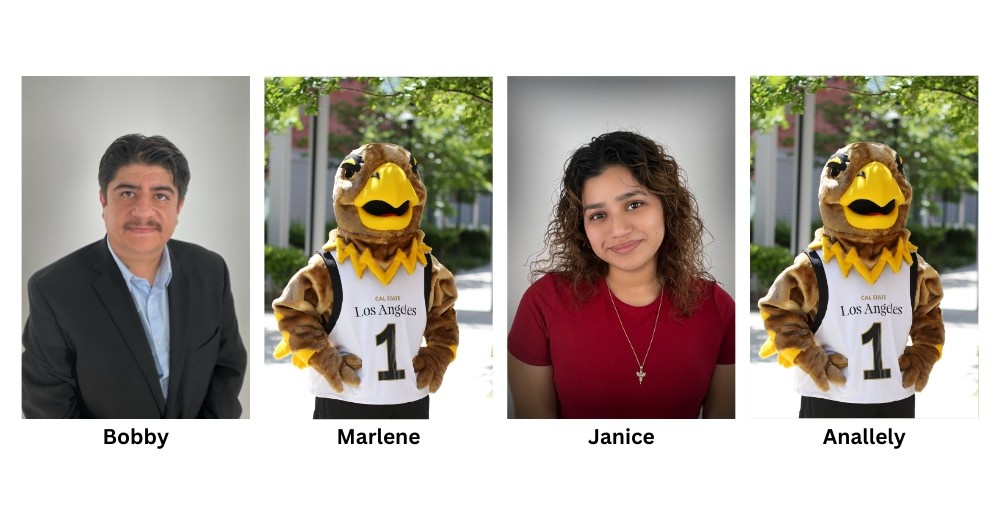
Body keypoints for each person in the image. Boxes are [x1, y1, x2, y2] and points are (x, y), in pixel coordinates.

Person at [508, 131, 735, 418]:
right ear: (582, 227)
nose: (618, 230)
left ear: (666, 205)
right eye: (598, 215)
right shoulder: (544, 302)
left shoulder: (719, 309)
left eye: (634, 204)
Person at [22, 133, 247, 418]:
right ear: (103, 200)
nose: (143, 211)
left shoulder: (211, 271)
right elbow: (48, 408)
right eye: (127, 193)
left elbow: (227, 368)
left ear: (179, 207)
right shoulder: (53, 290)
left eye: (160, 196)